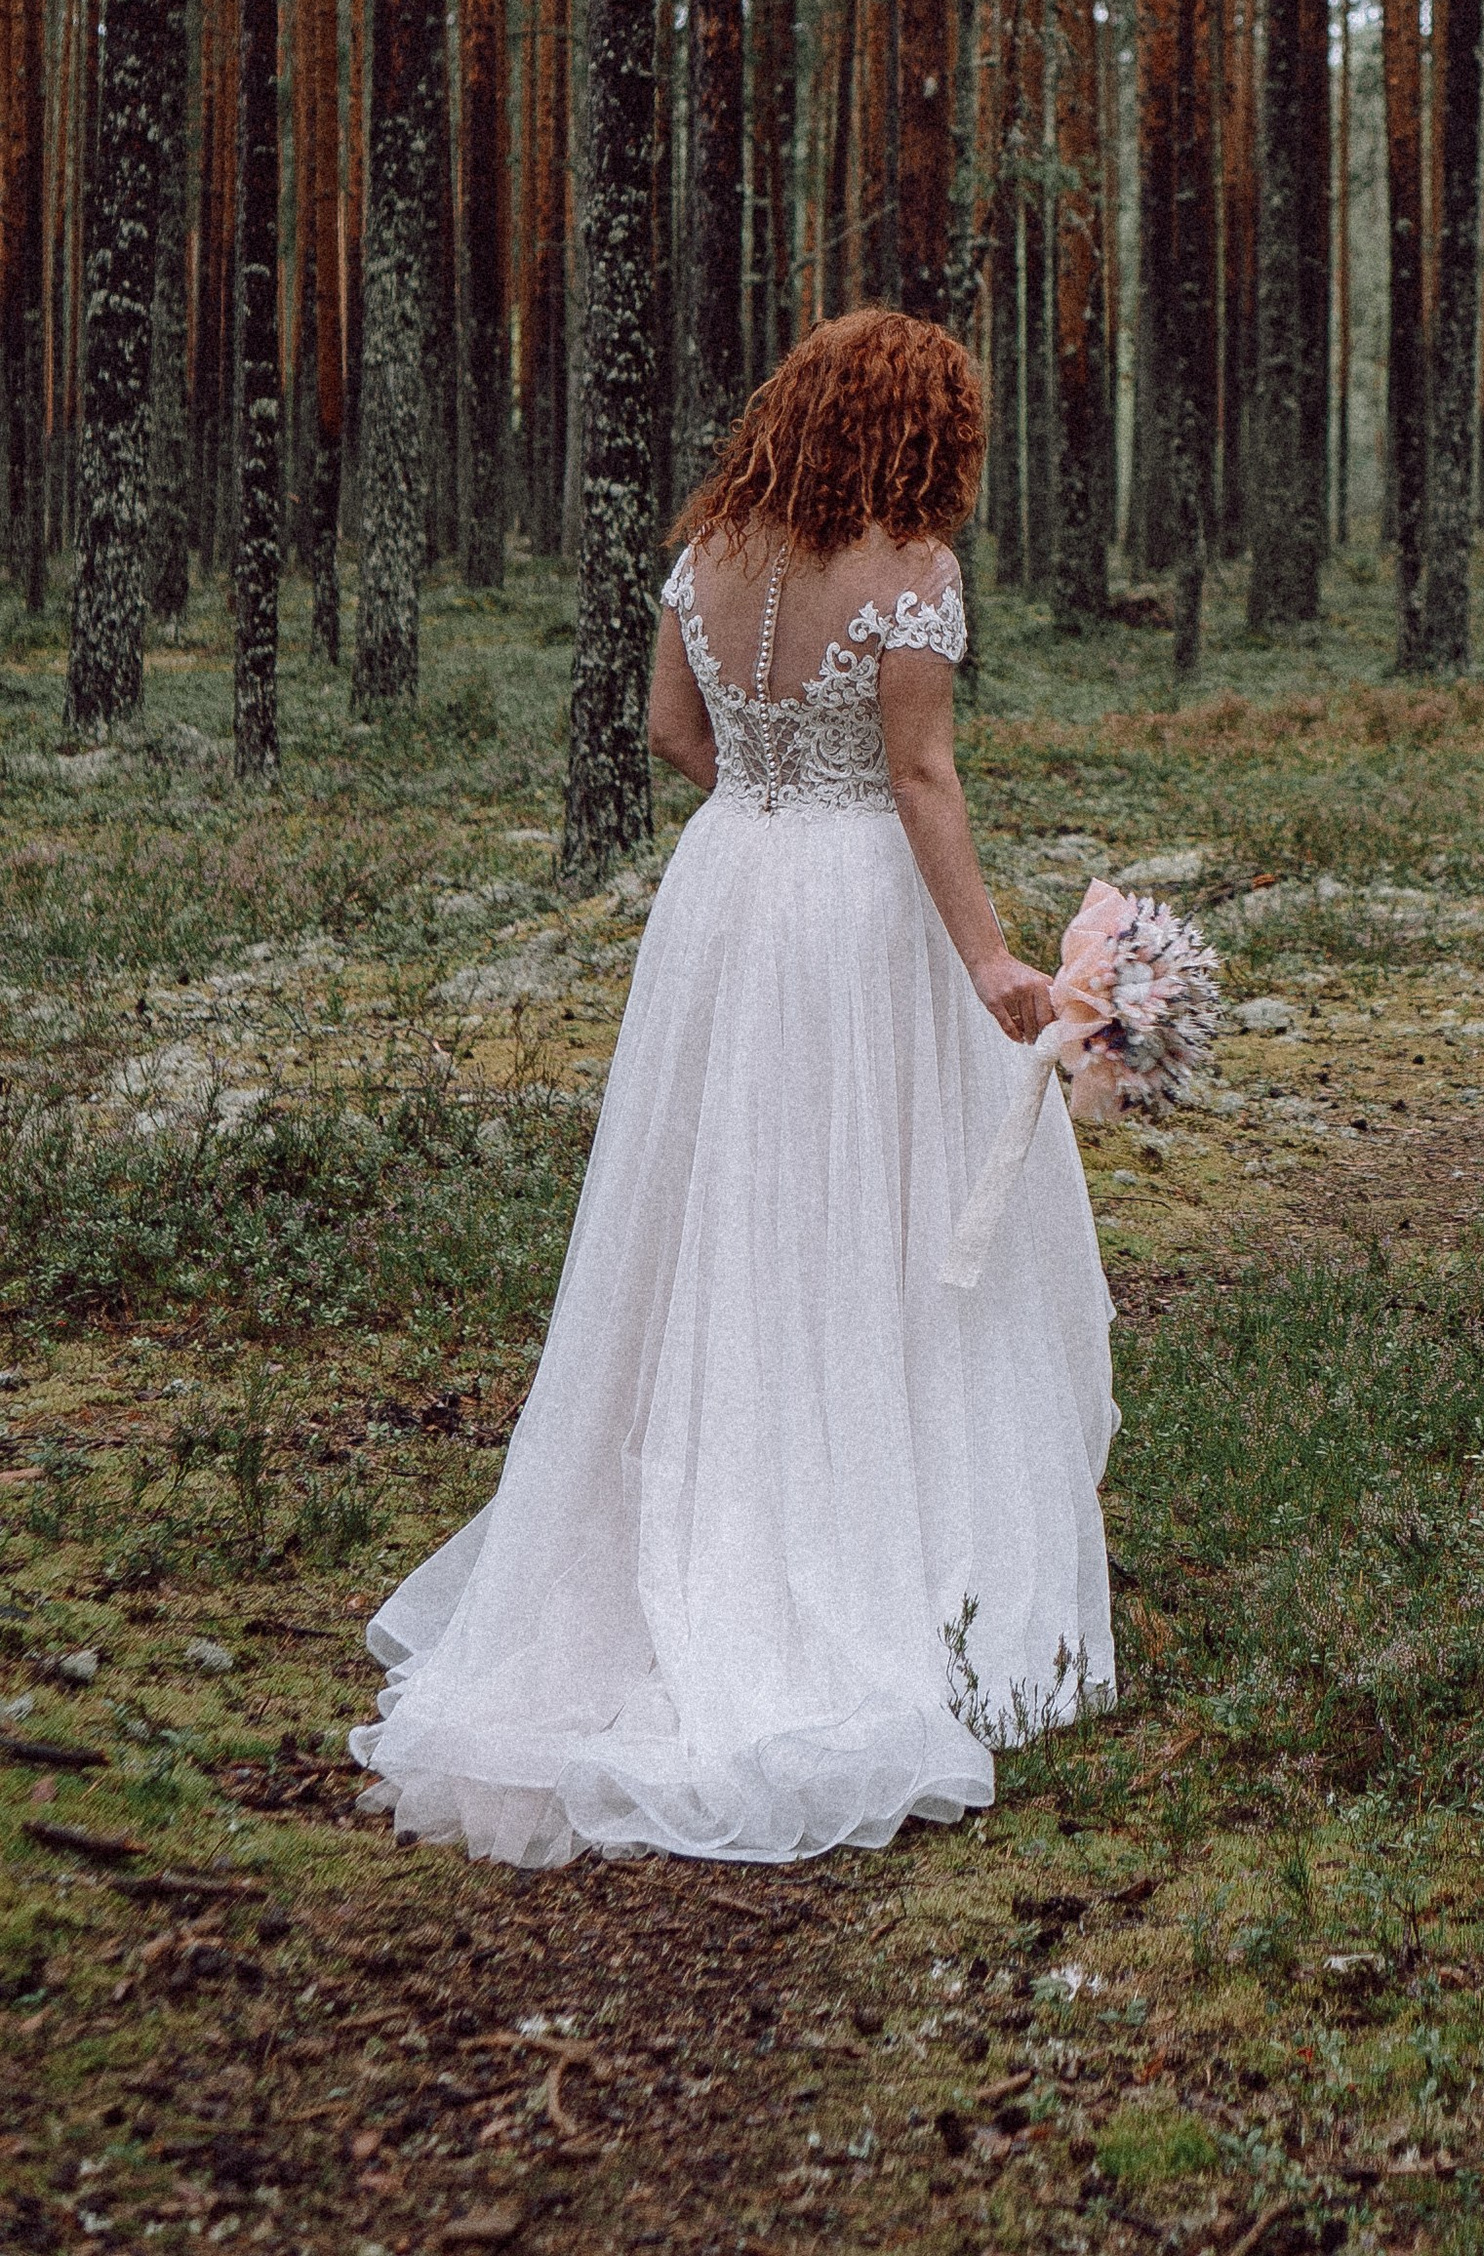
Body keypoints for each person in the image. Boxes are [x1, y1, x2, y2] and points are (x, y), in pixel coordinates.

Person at [349, 308, 1116, 1868]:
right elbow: (920, 779)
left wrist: (769, 805)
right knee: (862, 1212)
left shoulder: (708, 548)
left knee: (716, 1214)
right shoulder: (909, 570)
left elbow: (667, 732)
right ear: (923, 431)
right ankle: (861, 1557)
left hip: (725, 899)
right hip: (851, 915)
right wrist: (988, 965)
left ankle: (691, 1523)